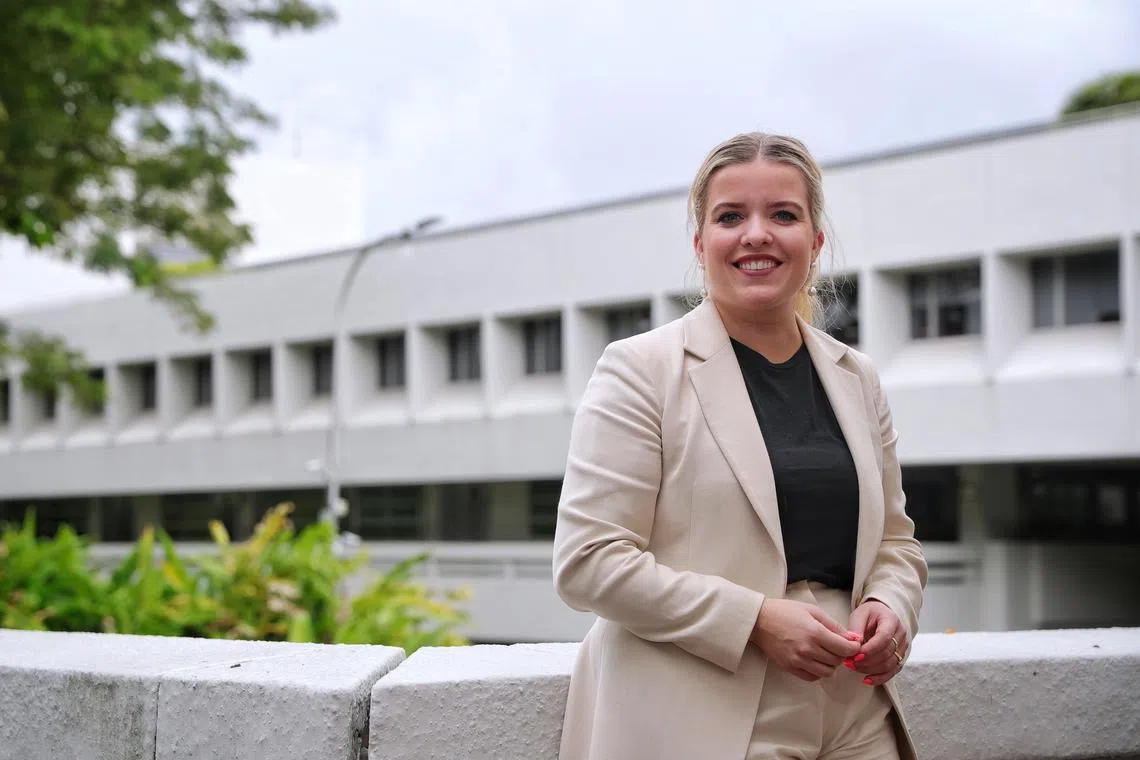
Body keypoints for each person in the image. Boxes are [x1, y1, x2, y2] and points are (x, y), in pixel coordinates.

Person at [552, 132, 928, 760]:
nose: (757, 234)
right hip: (706, 713)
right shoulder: (639, 368)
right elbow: (588, 560)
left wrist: (893, 604)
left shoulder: (855, 376)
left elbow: (895, 539)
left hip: (853, 707)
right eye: (731, 217)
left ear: (815, 241)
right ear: (701, 244)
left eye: (783, 214)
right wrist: (754, 619)